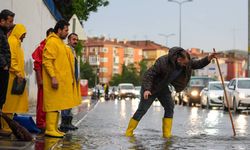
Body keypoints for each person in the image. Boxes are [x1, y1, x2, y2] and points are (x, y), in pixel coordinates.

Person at [125, 47, 217, 138]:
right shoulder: (163, 62)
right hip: (151, 88)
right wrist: (147, 89)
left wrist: (209, 57)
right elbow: (149, 75)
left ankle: (167, 135)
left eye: (187, 64)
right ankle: (129, 132)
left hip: (163, 88)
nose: (186, 66)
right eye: (184, 64)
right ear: (179, 59)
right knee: (142, 109)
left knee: (169, 107)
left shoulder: (187, 62)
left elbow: (198, 64)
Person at [42, 20, 81, 138]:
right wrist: (53, 77)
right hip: (54, 80)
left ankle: (54, 128)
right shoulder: (52, 42)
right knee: (52, 105)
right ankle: (49, 129)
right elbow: (47, 61)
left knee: (56, 105)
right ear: (59, 30)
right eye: (66, 30)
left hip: (60, 81)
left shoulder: (59, 42)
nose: (67, 33)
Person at [1, 24, 28, 133]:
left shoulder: (17, 43)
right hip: (12, 78)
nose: (24, 36)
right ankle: (5, 127)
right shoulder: (12, 41)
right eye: (24, 34)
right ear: (18, 32)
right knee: (8, 105)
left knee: (12, 106)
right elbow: (11, 59)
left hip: (16, 78)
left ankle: (8, 126)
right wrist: (17, 72)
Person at [32, 28, 54, 132]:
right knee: (42, 102)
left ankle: (48, 122)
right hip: (44, 80)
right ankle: (41, 123)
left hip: (51, 80)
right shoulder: (41, 48)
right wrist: (40, 79)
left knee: (49, 102)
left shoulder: (52, 47)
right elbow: (37, 64)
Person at [59, 33, 81, 132]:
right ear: (69, 40)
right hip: (67, 79)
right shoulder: (67, 49)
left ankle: (68, 123)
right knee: (66, 102)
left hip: (73, 80)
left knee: (70, 102)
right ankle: (64, 124)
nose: (75, 41)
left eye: (76, 39)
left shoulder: (73, 50)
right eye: (73, 39)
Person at [0, 9, 15, 111]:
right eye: (10, 21)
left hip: (3, 69)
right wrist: (4, 64)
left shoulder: (3, 32)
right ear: (2, 21)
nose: (11, 24)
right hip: (1, 69)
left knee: (1, 98)